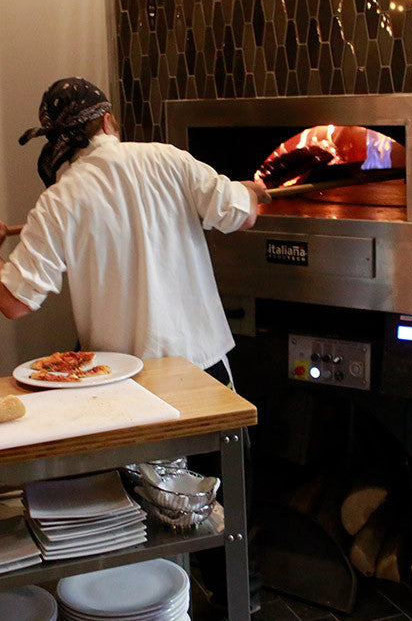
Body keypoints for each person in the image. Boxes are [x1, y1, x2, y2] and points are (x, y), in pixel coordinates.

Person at [0, 76, 270, 615]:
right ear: (107, 122)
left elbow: (13, 302)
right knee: (222, 509)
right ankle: (242, 600)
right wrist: (257, 193)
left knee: (134, 516)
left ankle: (135, 599)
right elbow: (239, 213)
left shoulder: (61, 199)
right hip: (202, 372)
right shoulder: (169, 160)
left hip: (121, 384)